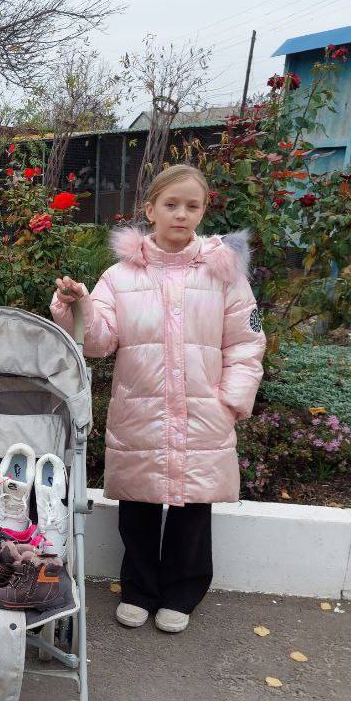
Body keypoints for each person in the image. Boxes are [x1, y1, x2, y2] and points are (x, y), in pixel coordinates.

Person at [50, 164, 266, 633]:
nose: (181, 215)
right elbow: (100, 341)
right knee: (140, 505)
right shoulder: (120, 276)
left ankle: (182, 592)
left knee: (193, 507)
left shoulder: (224, 276)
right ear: (150, 210)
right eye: (171, 205)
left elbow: (246, 343)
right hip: (140, 409)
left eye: (192, 206)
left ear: (203, 211)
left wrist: (231, 400)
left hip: (203, 410)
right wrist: (78, 308)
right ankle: (140, 588)